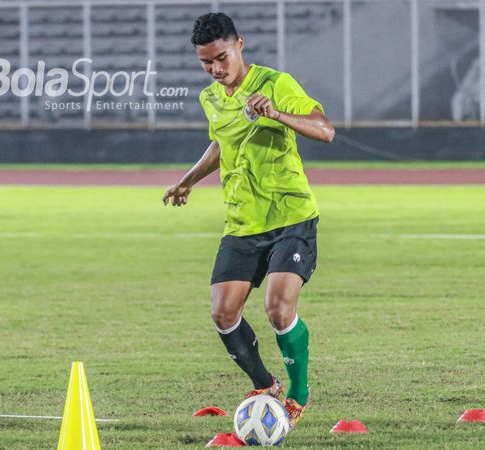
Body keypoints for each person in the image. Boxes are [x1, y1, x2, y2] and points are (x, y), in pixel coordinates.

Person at [162, 12, 334, 428]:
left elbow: (324, 130)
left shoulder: (276, 84)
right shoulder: (211, 98)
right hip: (242, 223)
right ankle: (265, 384)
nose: (215, 69)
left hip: (290, 216)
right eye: (206, 63)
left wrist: (277, 114)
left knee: (278, 309)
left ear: (240, 44)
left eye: (221, 57)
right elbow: (221, 144)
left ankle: (297, 393)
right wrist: (187, 181)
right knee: (223, 313)